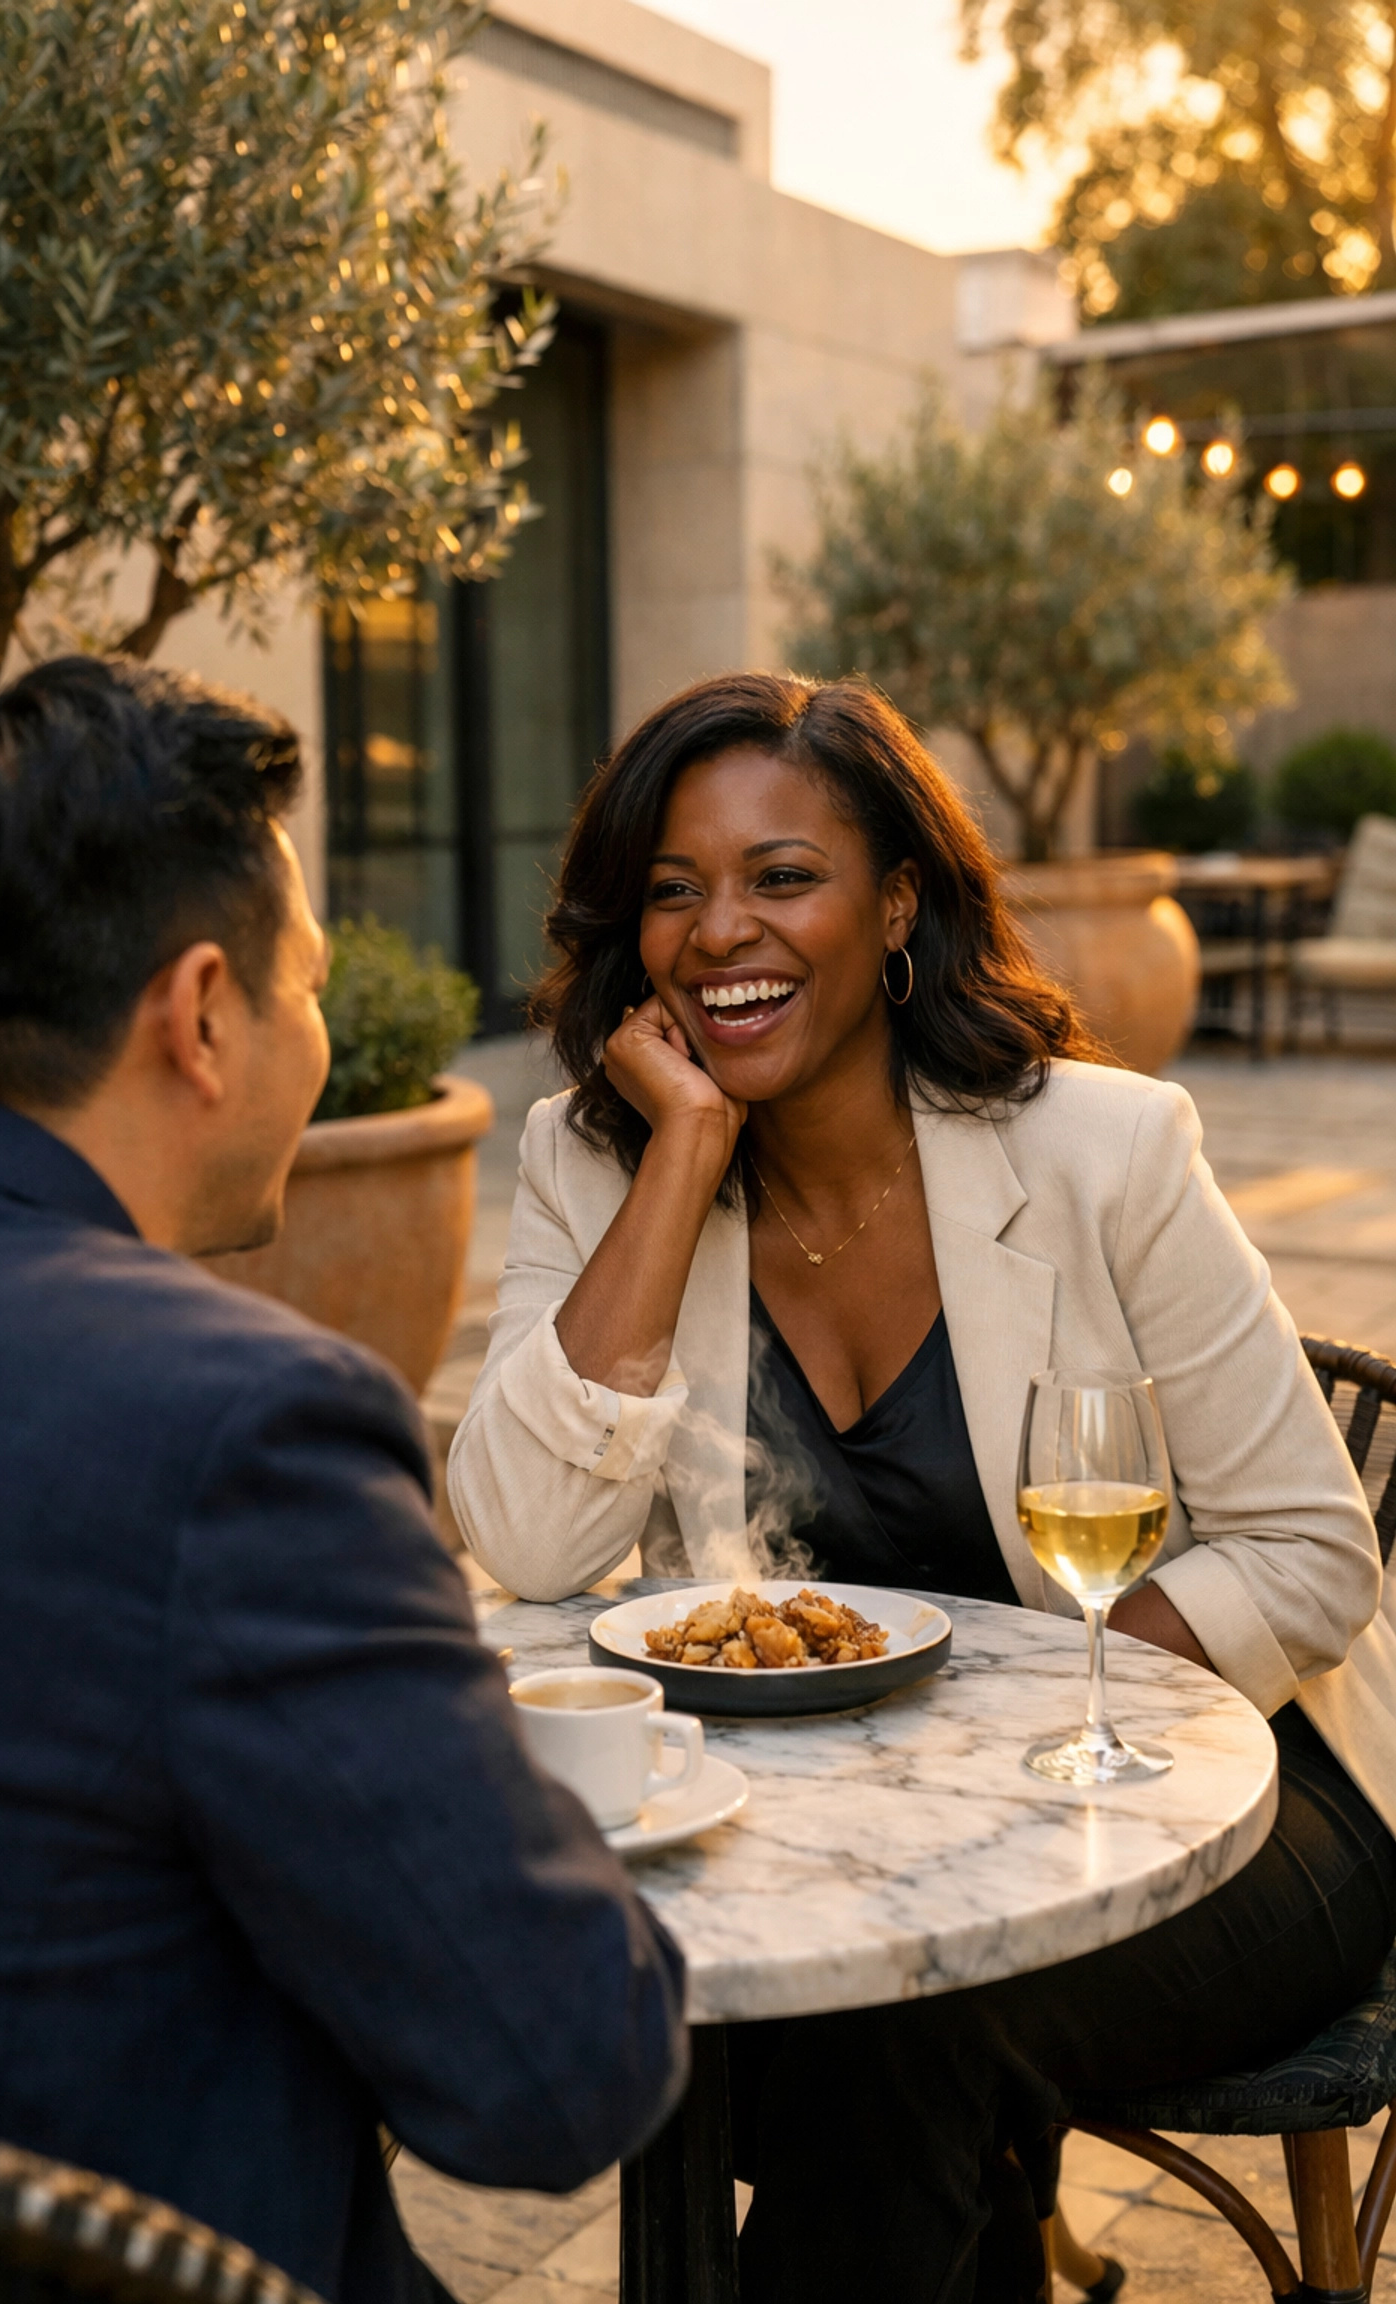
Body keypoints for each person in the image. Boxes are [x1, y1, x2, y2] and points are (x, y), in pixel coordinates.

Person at [448, 671, 1396, 2303]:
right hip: (838, 1838)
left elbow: (1314, 1551)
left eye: (782, 877)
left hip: (1230, 1803)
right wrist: (681, 1156)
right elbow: (529, 1542)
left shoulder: (1103, 1149)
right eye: (674, 890)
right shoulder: (593, 1157)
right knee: (711, 2015)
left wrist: (1037, 1735)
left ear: (896, 905)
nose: (719, 930)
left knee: (907, 2037)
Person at [0, 657, 687, 2304]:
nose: (320, 1028)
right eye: (307, 987)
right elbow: (558, 2070)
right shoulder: (233, 1426)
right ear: (204, 1017)